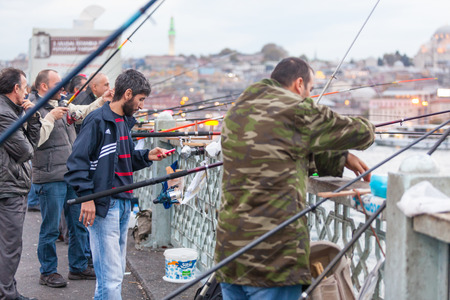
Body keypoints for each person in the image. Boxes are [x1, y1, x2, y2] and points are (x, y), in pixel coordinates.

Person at [214, 57, 375, 300]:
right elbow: (358, 132)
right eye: (310, 90)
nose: (309, 97)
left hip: (230, 254)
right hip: (273, 260)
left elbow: (280, 150)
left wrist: (340, 158)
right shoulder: (296, 108)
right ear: (299, 84)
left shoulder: (239, 109)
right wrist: (368, 131)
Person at [65, 69, 172, 300]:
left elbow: (121, 161)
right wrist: (88, 198)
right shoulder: (97, 120)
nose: (141, 106)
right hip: (105, 205)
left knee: (111, 276)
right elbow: (76, 162)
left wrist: (146, 156)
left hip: (123, 203)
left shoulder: (123, 122)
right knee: (111, 277)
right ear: (128, 94)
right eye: (140, 99)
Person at [31, 69, 107, 288]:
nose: (62, 88)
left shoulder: (61, 103)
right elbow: (34, 141)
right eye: (57, 84)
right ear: (44, 86)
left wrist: (103, 100)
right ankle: (48, 271)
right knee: (51, 228)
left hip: (71, 174)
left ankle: (78, 266)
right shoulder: (32, 109)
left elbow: (83, 112)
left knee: (78, 223)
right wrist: (49, 118)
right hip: (50, 176)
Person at [0, 67, 40, 300]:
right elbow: (26, 151)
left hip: (9, 184)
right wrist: (31, 119)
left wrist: (31, 118)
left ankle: (8, 290)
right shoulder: (5, 113)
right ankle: (7, 294)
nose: (26, 93)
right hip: (9, 186)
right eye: (24, 88)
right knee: (10, 246)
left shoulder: (10, 110)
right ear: (16, 88)